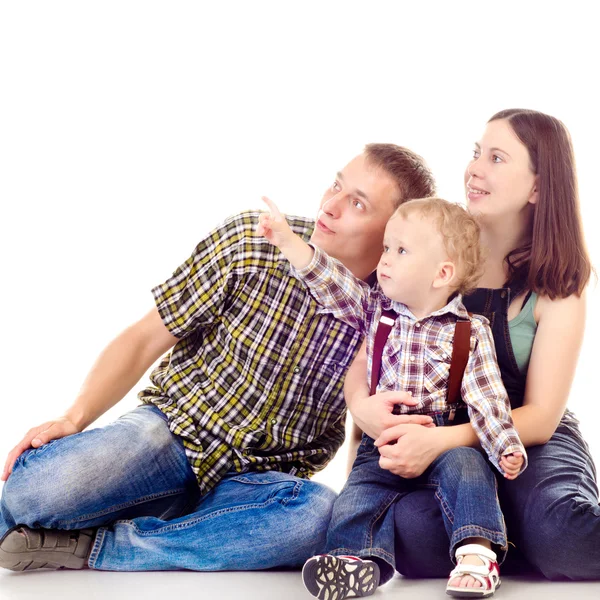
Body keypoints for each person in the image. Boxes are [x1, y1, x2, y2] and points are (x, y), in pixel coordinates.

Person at [0, 144, 437, 572]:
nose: (330, 206)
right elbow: (145, 337)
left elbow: (369, 422)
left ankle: (101, 547)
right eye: (336, 186)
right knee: (29, 495)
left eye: (357, 203)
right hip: (172, 435)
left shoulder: (397, 314)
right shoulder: (254, 241)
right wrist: (74, 419)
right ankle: (191, 528)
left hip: (258, 485)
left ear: (392, 233)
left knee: (321, 517)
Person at [344, 109, 596, 585]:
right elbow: (373, 344)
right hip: (442, 435)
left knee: (564, 535)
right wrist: (362, 407)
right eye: (476, 153)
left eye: (497, 158)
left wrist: (439, 441)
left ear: (539, 187)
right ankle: (507, 541)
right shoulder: (428, 244)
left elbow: (541, 415)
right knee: (411, 536)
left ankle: (528, 535)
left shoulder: (559, 284)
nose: (475, 168)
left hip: (524, 438)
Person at [258, 195, 526, 598]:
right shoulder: (376, 310)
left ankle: (476, 552)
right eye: (386, 247)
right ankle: (354, 561)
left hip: (442, 434)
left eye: (400, 251)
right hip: (383, 439)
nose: (384, 259)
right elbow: (331, 281)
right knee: (360, 492)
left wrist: (505, 444)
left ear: (442, 273)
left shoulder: (471, 332)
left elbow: (488, 400)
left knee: (470, 470)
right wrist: (288, 242)